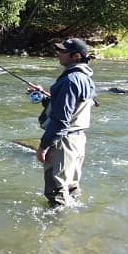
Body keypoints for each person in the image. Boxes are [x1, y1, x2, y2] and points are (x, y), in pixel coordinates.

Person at [28, 38, 97, 207]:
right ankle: (75, 224)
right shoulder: (85, 77)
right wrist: (45, 96)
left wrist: (43, 146)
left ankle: (57, 230)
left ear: (76, 56)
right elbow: (72, 107)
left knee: (56, 191)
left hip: (63, 141)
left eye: (63, 51)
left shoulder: (69, 80)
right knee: (71, 187)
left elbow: (61, 120)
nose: (59, 53)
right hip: (78, 140)